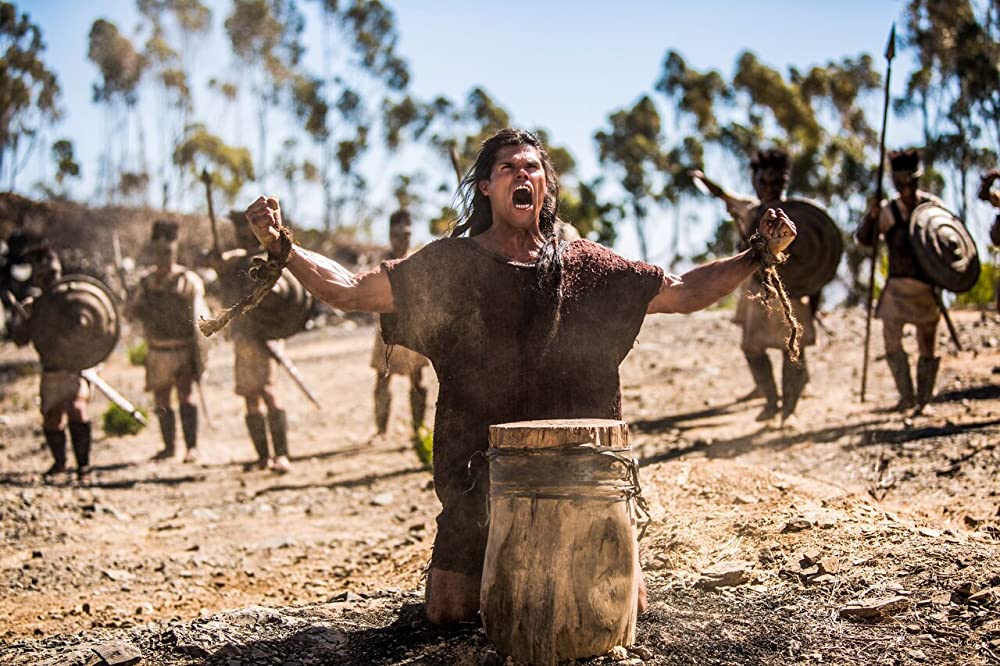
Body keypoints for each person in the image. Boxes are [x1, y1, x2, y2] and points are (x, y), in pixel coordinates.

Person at [244, 128, 797, 624]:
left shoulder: (588, 266)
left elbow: (684, 292)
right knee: (448, 614)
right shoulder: (449, 266)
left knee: (618, 614)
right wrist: (283, 247)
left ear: (545, 187)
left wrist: (757, 254)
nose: (521, 175)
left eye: (531, 167)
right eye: (507, 168)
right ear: (486, 187)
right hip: (478, 480)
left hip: (582, 476)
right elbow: (349, 290)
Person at [690, 148, 815, 424]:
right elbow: (723, 194)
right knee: (752, 348)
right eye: (763, 181)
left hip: (793, 293)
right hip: (758, 292)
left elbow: (817, 255)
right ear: (755, 181)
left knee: (793, 351)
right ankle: (771, 401)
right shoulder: (749, 209)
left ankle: (789, 411)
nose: (769, 187)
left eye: (776, 182)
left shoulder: (801, 214)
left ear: (785, 181)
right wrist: (702, 179)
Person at [856, 148, 944, 412]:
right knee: (891, 339)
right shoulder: (888, 210)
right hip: (896, 287)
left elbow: (948, 246)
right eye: (901, 182)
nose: (906, 187)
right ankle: (906, 396)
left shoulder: (932, 207)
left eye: (910, 181)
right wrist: (871, 217)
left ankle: (924, 400)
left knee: (926, 341)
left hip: (925, 287)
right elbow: (865, 239)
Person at [214, 211, 291, 473]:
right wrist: (216, 263)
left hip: (266, 335)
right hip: (244, 337)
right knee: (250, 396)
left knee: (269, 391)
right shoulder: (234, 261)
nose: (244, 237)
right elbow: (224, 282)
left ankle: (282, 455)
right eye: (241, 233)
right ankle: (263, 456)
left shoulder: (272, 257)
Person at [9, 241, 94, 480]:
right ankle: (60, 463)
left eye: (52, 274)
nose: (49, 280)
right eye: (43, 276)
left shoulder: (76, 298)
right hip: (50, 372)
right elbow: (20, 340)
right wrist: (22, 320)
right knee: (52, 418)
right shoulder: (33, 306)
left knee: (77, 409)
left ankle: (83, 466)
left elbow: (94, 331)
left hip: (74, 369)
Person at [129, 220, 207, 462]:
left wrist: (199, 353)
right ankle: (168, 447)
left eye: (168, 251)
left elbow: (200, 317)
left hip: (183, 348)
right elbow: (132, 313)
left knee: (185, 395)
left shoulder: (188, 280)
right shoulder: (146, 282)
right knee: (161, 398)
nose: (163, 256)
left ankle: (191, 447)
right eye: (159, 251)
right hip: (158, 349)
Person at [370, 209, 430, 438]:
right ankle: (381, 430)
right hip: (386, 330)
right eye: (397, 235)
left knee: (417, 379)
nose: (402, 240)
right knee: (382, 379)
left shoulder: (418, 260)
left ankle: (418, 429)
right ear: (390, 235)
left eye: (406, 235)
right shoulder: (380, 262)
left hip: (414, 330)